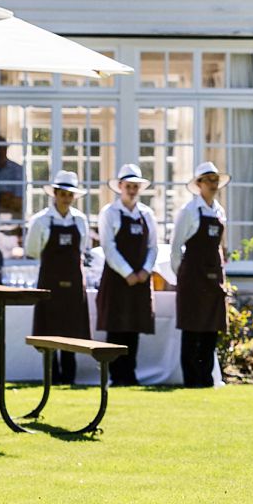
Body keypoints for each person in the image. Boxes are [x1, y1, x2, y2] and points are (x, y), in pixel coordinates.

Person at [24, 170, 91, 384]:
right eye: (62, 194)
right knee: (50, 329)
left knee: (71, 329)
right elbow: (33, 249)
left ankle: (69, 377)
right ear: (55, 194)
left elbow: (82, 248)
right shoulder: (41, 220)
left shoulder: (80, 220)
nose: (66, 199)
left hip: (73, 283)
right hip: (49, 282)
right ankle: (52, 376)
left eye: (70, 195)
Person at [95, 163, 157, 386]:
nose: (131, 190)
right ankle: (115, 375)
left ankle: (130, 374)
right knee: (116, 327)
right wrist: (127, 272)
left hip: (140, 279)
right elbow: (108, 248)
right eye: (128, 185)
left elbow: (153, 247)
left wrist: (145, 271)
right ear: (120, 186)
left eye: (135, 186)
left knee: (134, 328)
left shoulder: (147, 214)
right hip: (116, 279)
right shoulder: (109, 213)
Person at [171, 161, 230, 388]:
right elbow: (176, 248)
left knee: (210, 331)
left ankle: (206, 379)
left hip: (214, 278)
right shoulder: (188, 211)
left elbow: (220, 246)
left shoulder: (219, 211)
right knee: (192, 330)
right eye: (209, 180)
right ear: (199, 184)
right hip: (192, 278)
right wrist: (184, 276)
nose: (213, 185)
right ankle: (191, 380)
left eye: (216, 180)